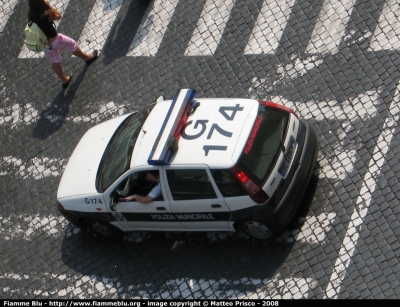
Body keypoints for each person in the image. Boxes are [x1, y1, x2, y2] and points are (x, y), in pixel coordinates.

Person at [28, 0, 98, 89]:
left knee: (54, 60)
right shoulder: (46, 15)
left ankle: (64, 80)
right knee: (72, 44)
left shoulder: (31, 14)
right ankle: (87, 58)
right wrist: (49, 7)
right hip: (56, 40)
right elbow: (58, 16)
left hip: (45, 44)